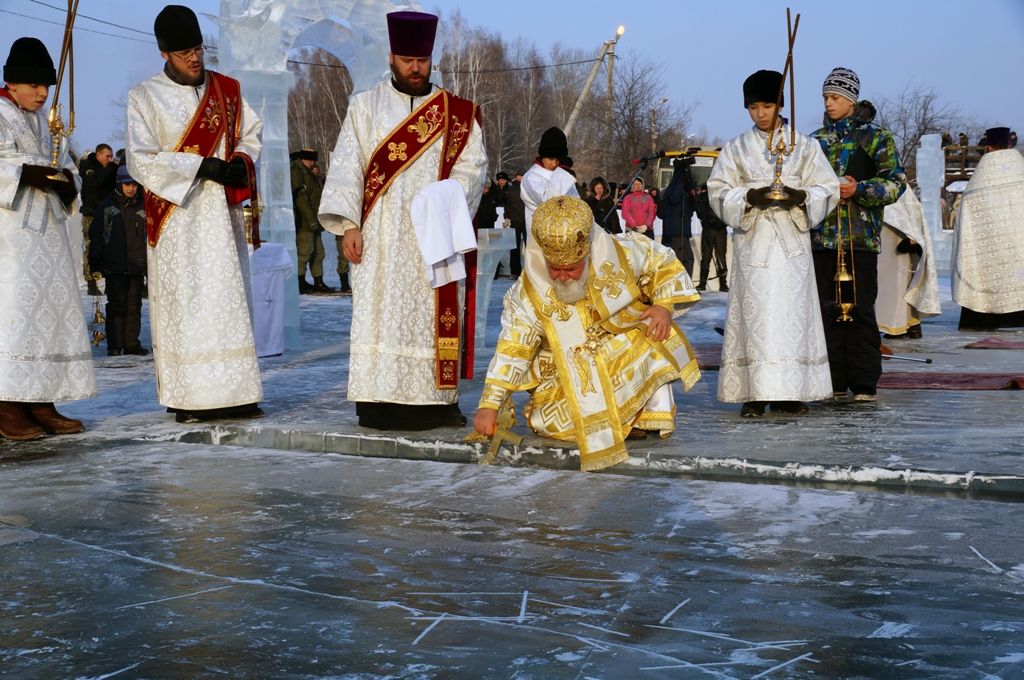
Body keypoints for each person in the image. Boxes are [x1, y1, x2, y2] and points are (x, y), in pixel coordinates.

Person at [318, 11, 488, 430]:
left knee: (431, 317)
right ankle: (376, 400)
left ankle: (438, 401)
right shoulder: (365, 107)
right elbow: (347, 167)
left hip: (436, 240)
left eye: (423, 61)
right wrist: (349, 224)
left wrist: (443, 202)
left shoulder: (457, 114)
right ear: (392, 57)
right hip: (379, 238)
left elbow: (473, 168)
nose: (416, 69)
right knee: (379, 313)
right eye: (408, 60)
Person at [472, 196, 701, 470]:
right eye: (554, 268)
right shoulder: (527, 294)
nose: (562, 277)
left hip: (615, 348)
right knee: (554, 420)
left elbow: (663, 262)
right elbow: (513, 348)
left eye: (572, 268)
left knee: (656, 332)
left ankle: (642, 418)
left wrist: (663, 306)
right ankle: (618, 422)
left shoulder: (621, 253)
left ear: (588, 252)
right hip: (562, 376)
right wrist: (490, 405)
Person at [126, 5, 264, 424]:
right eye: (185, 52)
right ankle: (190, 397)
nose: (195, 58)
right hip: (177, 222)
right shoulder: (144, 97)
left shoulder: (227, 90)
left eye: (199, 49)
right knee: (186, 308)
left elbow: (251, 133)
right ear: (165, 54)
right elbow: (140, 159)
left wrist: (241, 159)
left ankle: (237, 393)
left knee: (228, 303)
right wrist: (201, 166)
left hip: (222, 219)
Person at [708, 69, 839, 418]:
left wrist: (802, 196)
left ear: (780, 105)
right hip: (754, 247)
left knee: (791, 318)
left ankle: (790, 394)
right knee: (756, 321)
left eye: (767, 106)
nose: (760, 114)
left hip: (792, 248)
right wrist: (748, 197)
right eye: (753, 108)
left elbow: (829, 188)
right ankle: (753, 394)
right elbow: (717, 190)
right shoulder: (736, 148)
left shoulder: (805, 146)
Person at [0, 37, 97, 440]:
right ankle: (7, 403)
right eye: (34, 85)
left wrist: (69, 183)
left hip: (50, 236)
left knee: (50, 312)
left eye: (46, 85)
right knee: (14, 313)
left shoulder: (46, 122)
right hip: (9, 235)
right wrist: (24, 174)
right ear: (11, 83)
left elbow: (66, 164)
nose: (42, 93)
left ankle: (40, 399)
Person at [810, 67, 906, 402]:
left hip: (860, 239)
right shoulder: (814, 141)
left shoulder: (877, 137)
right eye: (825, 96)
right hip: (821, 240)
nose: (829, 102)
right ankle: (833, 380)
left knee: (861, 311)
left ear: (851, 100)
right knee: (827, 312)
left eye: (835, 97)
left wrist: (859, 189)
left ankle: (864, 382)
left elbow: (896, 183)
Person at [951, 127, 1024, 331]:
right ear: (1009, 145)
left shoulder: (983, 174)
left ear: (989, 147)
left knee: (987, 276)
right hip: (1019, 239)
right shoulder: (1020, 167)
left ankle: (983, 319)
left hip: (988, 242)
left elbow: (968, 207)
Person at [88, 165, 148, 356]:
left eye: (134, 185)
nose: (131, 189)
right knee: (116, 305)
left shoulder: (143, 207)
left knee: (134, 305)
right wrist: (94, 262)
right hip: (114, 265)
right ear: (119, 184)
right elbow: (96, 236)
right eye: (127, 184)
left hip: (137, 264)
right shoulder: (107, 207)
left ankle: (131, 344)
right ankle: (115, 345)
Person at [876, 188, 941, 339]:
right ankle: (910, 324)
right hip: (892, 223)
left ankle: (896, 324)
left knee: (890, 279)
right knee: (897, 278)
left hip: (888, 225)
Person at [520, 127, 579, 238]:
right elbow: (549, 201)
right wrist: (562, 174)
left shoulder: (563, 176)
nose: (554, 164)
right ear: (542, 156)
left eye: (558, 160)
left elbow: (577, 203)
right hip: (542, 238)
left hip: (568, 237)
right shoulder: (531, 177)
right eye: (551, 158)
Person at [291, 147, 332, 294]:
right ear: (304, 159)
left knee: (319, 253)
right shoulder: (298, 172)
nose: (313, 163)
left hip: (314, 219)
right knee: (305, 253)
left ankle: (318, 282)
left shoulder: (308, 173)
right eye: (311, 160)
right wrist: (311, 220)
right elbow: (302, 200)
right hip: (304, 222)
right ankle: (299, 282)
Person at [80, 142, 118, 295]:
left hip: (109, 213)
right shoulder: (87, 166)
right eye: (107, 156)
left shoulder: (112, 169)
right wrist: (111, 169)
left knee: (111, 247)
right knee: (91, 247)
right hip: (91, 213)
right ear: (98, 155)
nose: (110, 160)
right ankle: (91, 281)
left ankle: (110, 281)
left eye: (111, 157)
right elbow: (95, 181)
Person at [658, 160, 694, 276]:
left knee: (688, 259)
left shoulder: (685, 191)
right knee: (677, 260)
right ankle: (677, 282)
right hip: (676, 230)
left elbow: (692, 209)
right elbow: (674, 198)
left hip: (684, 229)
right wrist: (681, 183)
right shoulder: (672, 189)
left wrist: (690, 188)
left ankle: (686, 282)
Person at [503, 171, 527, 276]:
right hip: (515, 219)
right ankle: (514, 271)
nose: (518, 177)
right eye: (517, 176)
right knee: (514, 247)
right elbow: (508, 204)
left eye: (520, 176)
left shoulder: (528, 187)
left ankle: (530, 271)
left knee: (530, 246)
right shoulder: (512, 188)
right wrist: (507, 217)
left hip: (526, 220)